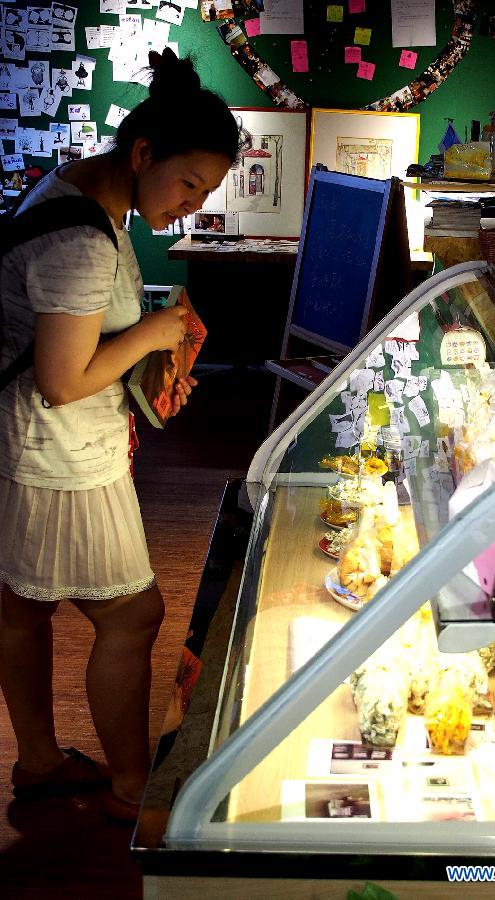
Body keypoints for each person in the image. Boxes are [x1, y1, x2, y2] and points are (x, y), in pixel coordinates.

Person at [0, 47, 239, 822]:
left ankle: (39, 763)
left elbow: (79, 343)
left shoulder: (88, 197)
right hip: (57, 457)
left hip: (37, 448)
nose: (191, 202)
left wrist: (149, 359)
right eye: (189, 182)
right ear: (143, 154)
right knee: (131, 616)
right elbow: (62, 380)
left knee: (20, 610)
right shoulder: (81, 241)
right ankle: (136, 789)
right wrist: (155, 333)